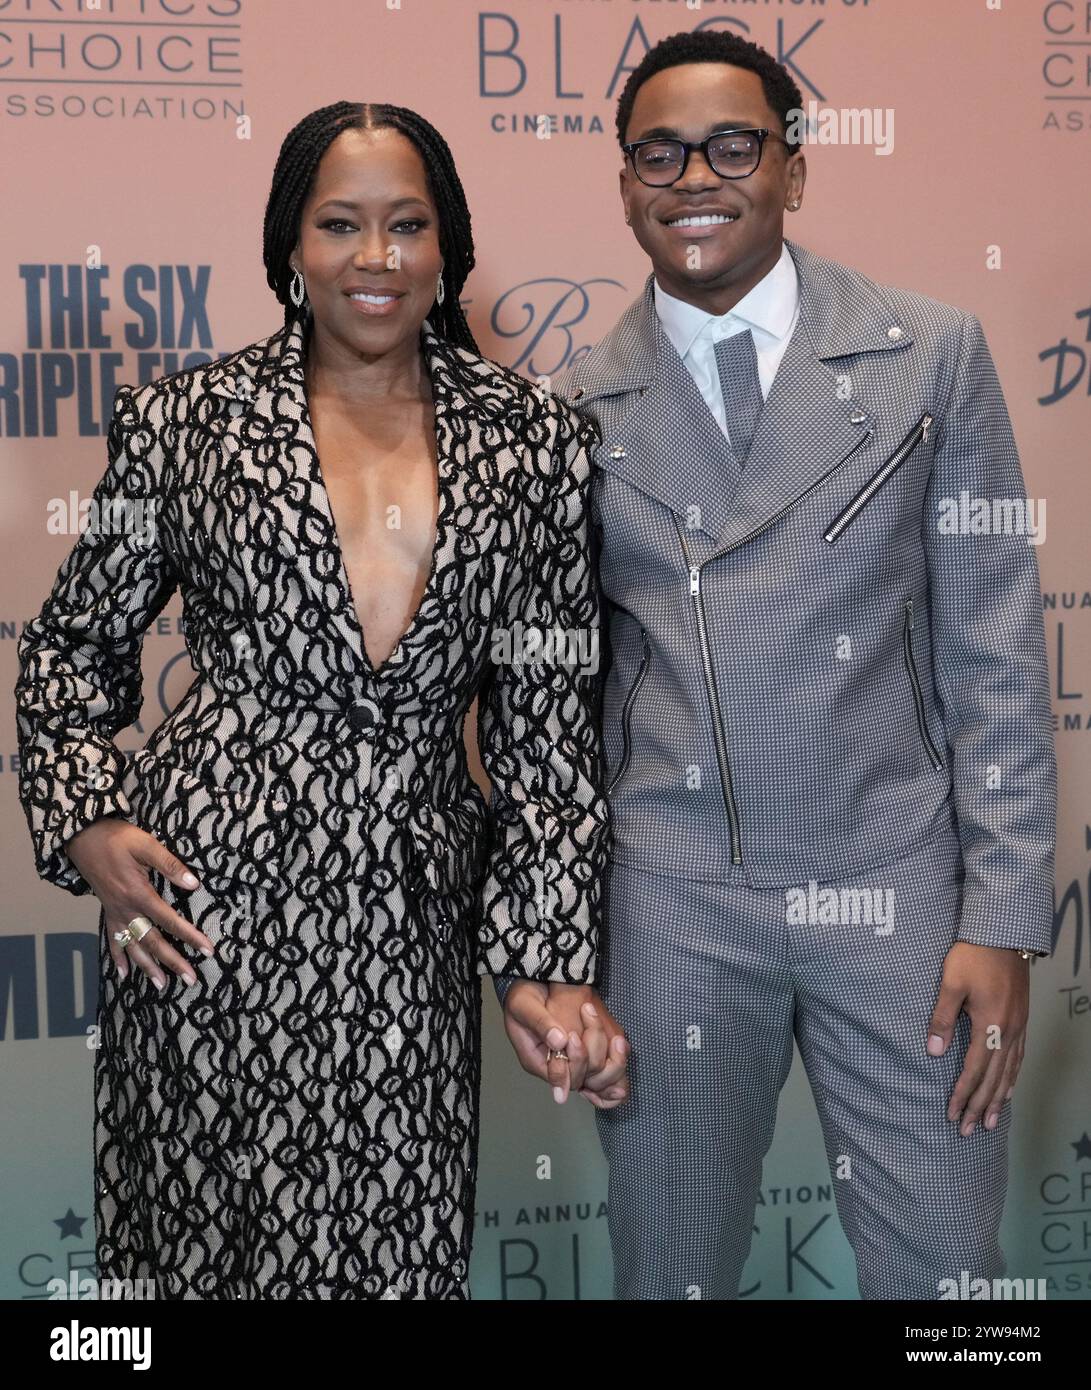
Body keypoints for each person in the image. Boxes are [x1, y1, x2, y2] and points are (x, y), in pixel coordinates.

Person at [13, 100, 627, 1301]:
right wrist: (87, 820)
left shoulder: (536, 442)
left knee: (396, 1253)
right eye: (338, 224)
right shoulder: (183, 423)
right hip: (203, 911)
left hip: (408, 916)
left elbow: (546, 732)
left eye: (406, 224)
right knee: (198, 1245)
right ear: (289, 248)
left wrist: (543, 958)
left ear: (446, 241)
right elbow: (71, 650)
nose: (376, 256)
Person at [543, 30, 1057, 1299]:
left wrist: (999, 912)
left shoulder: (926, 352)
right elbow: (559, 695)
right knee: (672, 1266)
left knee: (946, 1273)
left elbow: (989, 643)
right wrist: (554, 936)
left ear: (792, 168)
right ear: (622, 183)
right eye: (657, 153)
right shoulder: (572, 405)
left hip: (892, 888)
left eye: (732, 146)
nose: (694, 178)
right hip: (671, 901)